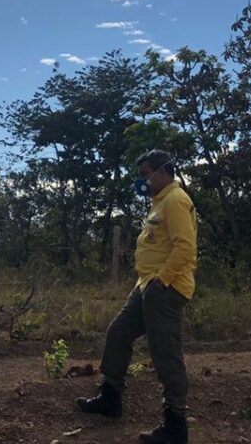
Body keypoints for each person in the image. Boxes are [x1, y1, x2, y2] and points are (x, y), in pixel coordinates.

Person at [77, 150, 196, 444]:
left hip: (164, 289)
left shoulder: (177, 201)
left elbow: (185, 249)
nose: (142, 180)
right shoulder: (158, 203)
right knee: (118, 333)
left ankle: (175, 424)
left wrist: (162, 280)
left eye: (145, 174)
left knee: (165, 352)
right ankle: (111, 397)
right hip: (146, 286)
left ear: (162, 171)